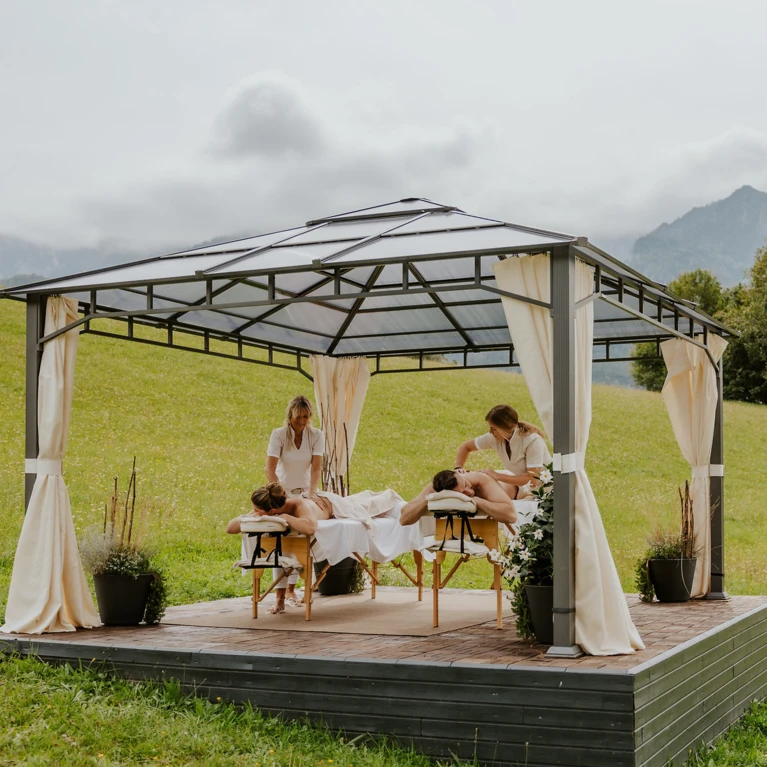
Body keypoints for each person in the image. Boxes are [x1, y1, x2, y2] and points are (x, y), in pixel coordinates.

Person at [226, 482, 332, 614]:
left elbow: (310, 528)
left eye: (257, 510)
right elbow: (230, 529)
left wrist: (287, 517)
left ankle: (283, 595)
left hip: (331, 505)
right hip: (281, 513)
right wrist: (249, 516)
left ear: (271, 511)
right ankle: (280, 598)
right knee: (276, 545)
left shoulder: (298, 505)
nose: (254, 512)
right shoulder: (268, 506)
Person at [453, 404, 551, 500]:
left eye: (493, 428)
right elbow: (465, 447)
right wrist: (458, 467)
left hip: (545, 490)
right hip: (522, 484)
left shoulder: (532, 441)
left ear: (506, 427)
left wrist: (498, 476)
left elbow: (533, 480)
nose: (490, 431)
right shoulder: (495, 438)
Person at [399, 469, 518, 527]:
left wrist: (478, 501)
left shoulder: (481, 480)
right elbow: (404, 519)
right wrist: (427, 500)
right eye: (462, 494)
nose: (470, 492)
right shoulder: (437, 487)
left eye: (466, 484)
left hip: (519, 486)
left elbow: (511, 516)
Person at [266, 395, 325, 502]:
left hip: (307, 492)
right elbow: (269, 470)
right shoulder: (279, 434)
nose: (301, 421)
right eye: (298, 416)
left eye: (305, 416)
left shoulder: (316, 435)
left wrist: (312, 494)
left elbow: (316, 468)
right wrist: (282, 495)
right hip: (282, 492)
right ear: (290, 416)